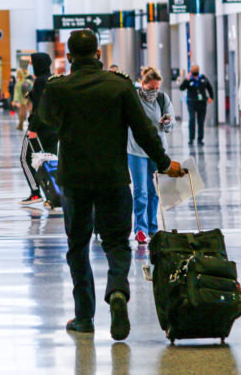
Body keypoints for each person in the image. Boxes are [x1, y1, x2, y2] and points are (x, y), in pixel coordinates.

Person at [39, 29, 184, 340]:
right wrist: (163, 162)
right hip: (113, 177)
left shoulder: (59, 89)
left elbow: (46, 121)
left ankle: (84, 317)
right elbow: (144, 130)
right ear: (98, 54)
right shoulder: (118, 86)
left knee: (78, 246)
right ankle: (117, 290)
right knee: (117, 243)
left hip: (75, 181)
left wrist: (55, 89)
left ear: (68, 55)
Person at [127, 67, 174, 245]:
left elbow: (171, 124)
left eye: (156, 88)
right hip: (136, 150)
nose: (154, 92)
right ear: (143, 84)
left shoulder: (163, 99)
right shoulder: (134, 99)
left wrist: (168, 121)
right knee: (141, 191)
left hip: (157, 150)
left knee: (154, 191)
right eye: (150, 88)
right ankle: (140, 228)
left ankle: (152, 226)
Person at [21, 52, 59, 205]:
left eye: (32, 63)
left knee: (25, 159)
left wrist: (32, 128)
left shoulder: (39, 82)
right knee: (50, 160)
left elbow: (39, 108)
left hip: (39, 128)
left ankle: (35, 192)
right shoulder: (52, 80)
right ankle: (53, 196)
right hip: (54, 128)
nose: (30, 66)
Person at [179, 65, 214, 145]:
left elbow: (210, 87)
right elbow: (181, 88)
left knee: (201, 121)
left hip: (202, 102)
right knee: (192, 119)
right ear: (191, 71)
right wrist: (186, 80)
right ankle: (191, 138)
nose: (195, 71)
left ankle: (200, 139)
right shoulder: (189, 80)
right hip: (191, 102)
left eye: (196, 70)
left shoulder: (203, 78)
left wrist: (211, 97)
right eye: (193, 70)